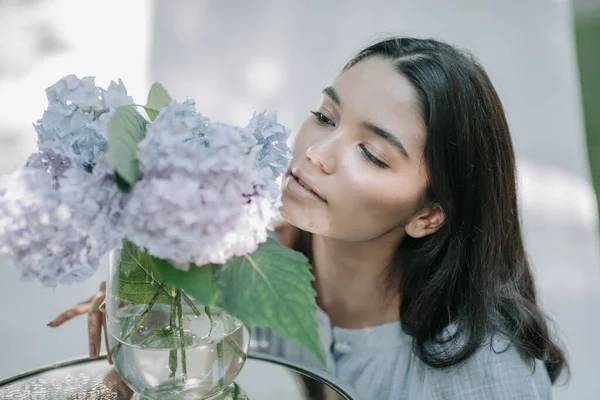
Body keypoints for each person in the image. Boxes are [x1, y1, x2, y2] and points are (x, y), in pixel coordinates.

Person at [49, 37, 567, 399]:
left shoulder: (485, 371)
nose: (317, 152)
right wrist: (152, 321)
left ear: (429, 215)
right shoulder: (236, 270)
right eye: (324, 116)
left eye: (372, 153)